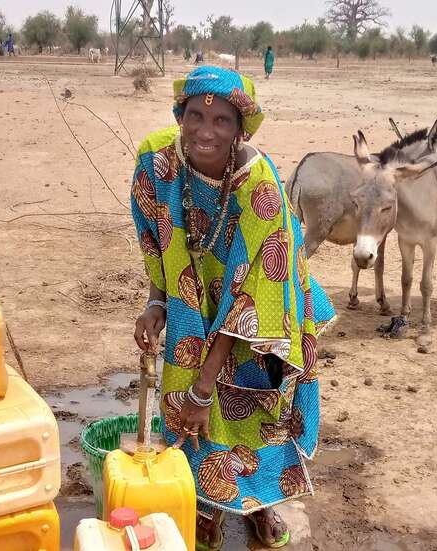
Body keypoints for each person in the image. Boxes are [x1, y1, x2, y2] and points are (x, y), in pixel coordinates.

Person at [131, 65, 335, 550]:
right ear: (179, 117)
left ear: (241, 128)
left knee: (254, 396)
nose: (206, 131)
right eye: (195, 117)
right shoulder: (156, 161)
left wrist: (205, 387)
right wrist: (157, 300)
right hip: (194, 291)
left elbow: (251, 302)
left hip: (267, 299)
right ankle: (210, 503)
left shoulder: (258, 184)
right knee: (186, 400)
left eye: (221, 120)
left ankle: (263, 505)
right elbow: (154, 236)